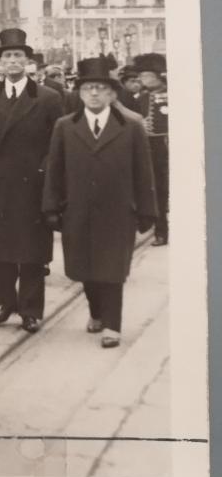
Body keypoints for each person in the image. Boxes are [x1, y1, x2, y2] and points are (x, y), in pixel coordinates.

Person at [42, 57, 158, 348]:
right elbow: (55, 170)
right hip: (77, 211)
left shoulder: (131, 126)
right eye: (88, 88)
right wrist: (51, 207)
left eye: (100, 88)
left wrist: (147, 210)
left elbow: (143, 172)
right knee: (84, 269)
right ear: (80, 93)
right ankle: (96, 312)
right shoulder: (65, 126)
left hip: (118, 212)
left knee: (113, 271)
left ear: (112, 93)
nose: (94, 93)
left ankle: (112, 326)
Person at [0, 28, 64, 333]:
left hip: (33, 185)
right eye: (7, 55)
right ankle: (6, 303)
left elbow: (57, 143)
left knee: (31, 251)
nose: (13, 60)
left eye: (18, 55)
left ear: (28, 61)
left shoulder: (48, 98)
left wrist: (44, 171)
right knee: (1, 249)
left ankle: (30, 309)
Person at [133, 52, 170, 246]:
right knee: (157, 190)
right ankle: (160, 230)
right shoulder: (142, 97)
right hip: (150, 148)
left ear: (158, 76)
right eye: (141, 75)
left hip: (168, 145)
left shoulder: (173, 93)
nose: (142, 79)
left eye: (146, 75)